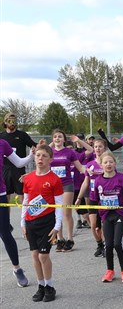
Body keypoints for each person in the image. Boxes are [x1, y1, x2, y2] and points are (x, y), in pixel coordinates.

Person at [21, 144, 63, 302]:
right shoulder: (29, 178)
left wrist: (57, 226)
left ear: (50, 159)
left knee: (43, 255)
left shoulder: (54, 180)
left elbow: (59, 205)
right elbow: (26, 200)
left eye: (44, 156)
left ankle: (49, 286)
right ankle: (40, 285)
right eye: (38, 155)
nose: (40, 158)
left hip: (47, 222)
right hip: (31, 222)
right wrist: (23, 222)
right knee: (34, 255)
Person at [90, 152, 123, 283]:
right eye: (105, 162)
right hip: (106, 216)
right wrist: (97, 223)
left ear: (115, 163)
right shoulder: (97, 181)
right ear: (101, 165)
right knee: (108, 245)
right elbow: (95, 203)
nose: (108, 164)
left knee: (117, 244)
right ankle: (110, 271)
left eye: (111, 162)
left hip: (120, 214)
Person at [1, 137, 33, 288]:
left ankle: (17, 268)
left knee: (5, 233)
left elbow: (19, 163)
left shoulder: (2, 143)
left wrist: (32, 155)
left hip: (0, 194)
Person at [49, 129, 88, 252]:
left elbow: (80, 167)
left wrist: (88, 172)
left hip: (66, 185)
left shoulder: (69, 152)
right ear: (53, 139)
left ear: (64, 139)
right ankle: (60, 239)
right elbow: (40, 164)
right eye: (55, 137)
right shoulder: (49, 152)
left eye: (60, 137)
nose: (57, 139)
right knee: (56, 213)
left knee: (66, 213)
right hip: (53, 186)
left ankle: (70, 238)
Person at [75, 138, 107, 257]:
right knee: (93, 225)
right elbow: (86, 182)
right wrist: (79, 198)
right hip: (93, 198)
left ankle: (105, 245)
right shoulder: (90, 165)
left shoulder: (107, 163)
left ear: (104, 148)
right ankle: (99, 244)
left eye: (100, 146)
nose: (98, 149)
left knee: (103, 224)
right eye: (96, 146)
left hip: (105, 199)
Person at [1, 112, 37, 205]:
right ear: (5, 122)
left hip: (19, 169)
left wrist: (37, 147)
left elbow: (34, 145)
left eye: (14, 121)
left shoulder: (22, 135)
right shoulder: (1, 136)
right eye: (9, 121)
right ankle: (6, 219)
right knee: (6, 199)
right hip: (5, 169)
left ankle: (24, 219)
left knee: (23, 197)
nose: (12, 123)